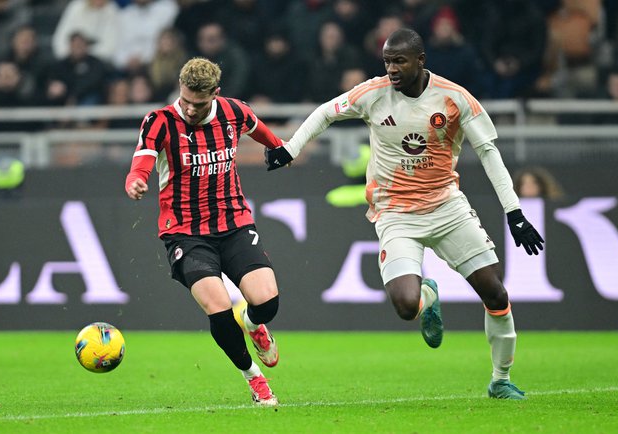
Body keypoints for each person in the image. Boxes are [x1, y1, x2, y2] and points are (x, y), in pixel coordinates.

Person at [265, 28, 544, 400]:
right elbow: (325, 112)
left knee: (494, 292)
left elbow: (489, 153)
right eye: (387, 62)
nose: (392, 69)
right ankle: (428, 295)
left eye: (399, 61)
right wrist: (290, 148)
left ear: (420, 61)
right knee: (405, 305)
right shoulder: (373, 94)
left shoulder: (454, 99)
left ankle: (501, 379)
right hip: (394, 211)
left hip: (446, 206)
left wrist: (515, 213)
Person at [125, 57, 282, 406]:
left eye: (199, 103)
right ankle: (254, 379)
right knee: (217, 304)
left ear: (215, 94)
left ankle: (254, 322)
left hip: (234, 222)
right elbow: (143, 160)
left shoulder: (233, 111)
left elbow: (261, 130)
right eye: (185, 101)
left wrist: (278, 147)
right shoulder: (160, 120)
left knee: (267, 300)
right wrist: (136, 180)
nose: (191, 109)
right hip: (184, 232)